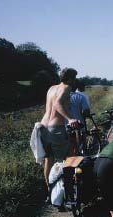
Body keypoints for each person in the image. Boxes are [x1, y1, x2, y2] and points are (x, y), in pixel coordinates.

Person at [40, 68, 79, 201]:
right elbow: (57, 104)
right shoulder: (66, 87)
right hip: (56, 128)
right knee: (69, 158)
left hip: (44, 127)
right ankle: (68, 193)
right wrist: (70, 119)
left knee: (48, 159)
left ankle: (49, 192)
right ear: (69, 79)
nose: (74, 82)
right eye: (74, 79)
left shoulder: (51, 88)